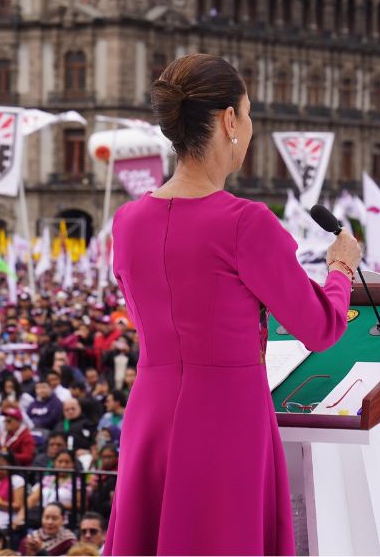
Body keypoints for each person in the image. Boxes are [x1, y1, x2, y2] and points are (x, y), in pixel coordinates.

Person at [102, 54, 356, 555]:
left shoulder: (127, 221)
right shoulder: (244, 222)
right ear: (229, 120)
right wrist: (341, 269)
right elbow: (322, 327)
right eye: (250, 113)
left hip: (150, 412)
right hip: (225, 417)